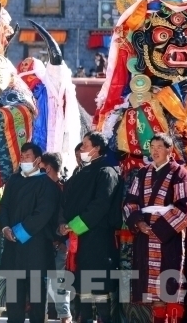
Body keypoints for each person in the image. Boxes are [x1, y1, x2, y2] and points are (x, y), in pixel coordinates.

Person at [123, 133, 187, 323]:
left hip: (172, 237)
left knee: (172, 284)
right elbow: (130, 202)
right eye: (152, 147)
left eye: (159, 147)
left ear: (169, 150)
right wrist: (139, 223)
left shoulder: (181, 174)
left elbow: (185, 207)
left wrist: (158, 229)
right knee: (153, 289)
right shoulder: (142, 173)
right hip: (145, 235)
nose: (155, 151)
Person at [59, 131, 121, 323]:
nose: (82, 149)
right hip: (80, 237)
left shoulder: (106, 172)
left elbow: (100, 205)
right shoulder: (82, 172)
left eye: (85, 145)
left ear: (97, 148)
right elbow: (67, 201)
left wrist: (75, 225)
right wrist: (64, 224)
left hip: (98, 237)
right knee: (83, 285)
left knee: (99, 284)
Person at [0, 143, 60, 323]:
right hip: (13, 248)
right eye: (22, 156)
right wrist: (5, 228)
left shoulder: (47, 184)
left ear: (38, 160)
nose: (23, 160)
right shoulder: (14, 180)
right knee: (14, 298)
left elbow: (43, 213)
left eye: (27, 156)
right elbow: (3, 205)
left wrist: (18, 232)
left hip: (36, 249)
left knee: (36, 298)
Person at [40, 152, 72, 323]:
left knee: (59, 281)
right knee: (42, 282)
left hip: (60, 243)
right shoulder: (42, 188)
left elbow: (66, 216)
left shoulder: (64, 189)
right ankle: (42, 315)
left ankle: (65, 316)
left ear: (48, 168)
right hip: (44, 241)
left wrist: (61, 241)